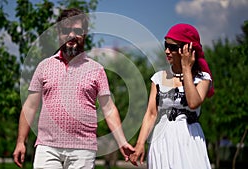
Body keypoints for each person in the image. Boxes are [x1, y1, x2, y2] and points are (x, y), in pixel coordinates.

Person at [12, 8, 134, 169]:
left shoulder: (96, 70)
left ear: (84, 34)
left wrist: (122, 141)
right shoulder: (44, 66)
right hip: (48, 148)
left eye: (77, 31)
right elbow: (30, 106)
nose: (71, 36)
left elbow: (109, 108)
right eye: (66, 30)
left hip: (83, 150)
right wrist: (21, 141)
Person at [129, 23, 214, 169]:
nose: (167, 51)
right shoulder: (158, 78)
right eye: (165, 45)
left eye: (173, 47)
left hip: (189, 139)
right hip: (161, 141)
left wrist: (186, 68)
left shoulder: (202, 78)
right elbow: (151, 114)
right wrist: (140, 143)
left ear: (187, 49)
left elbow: (193, 103)